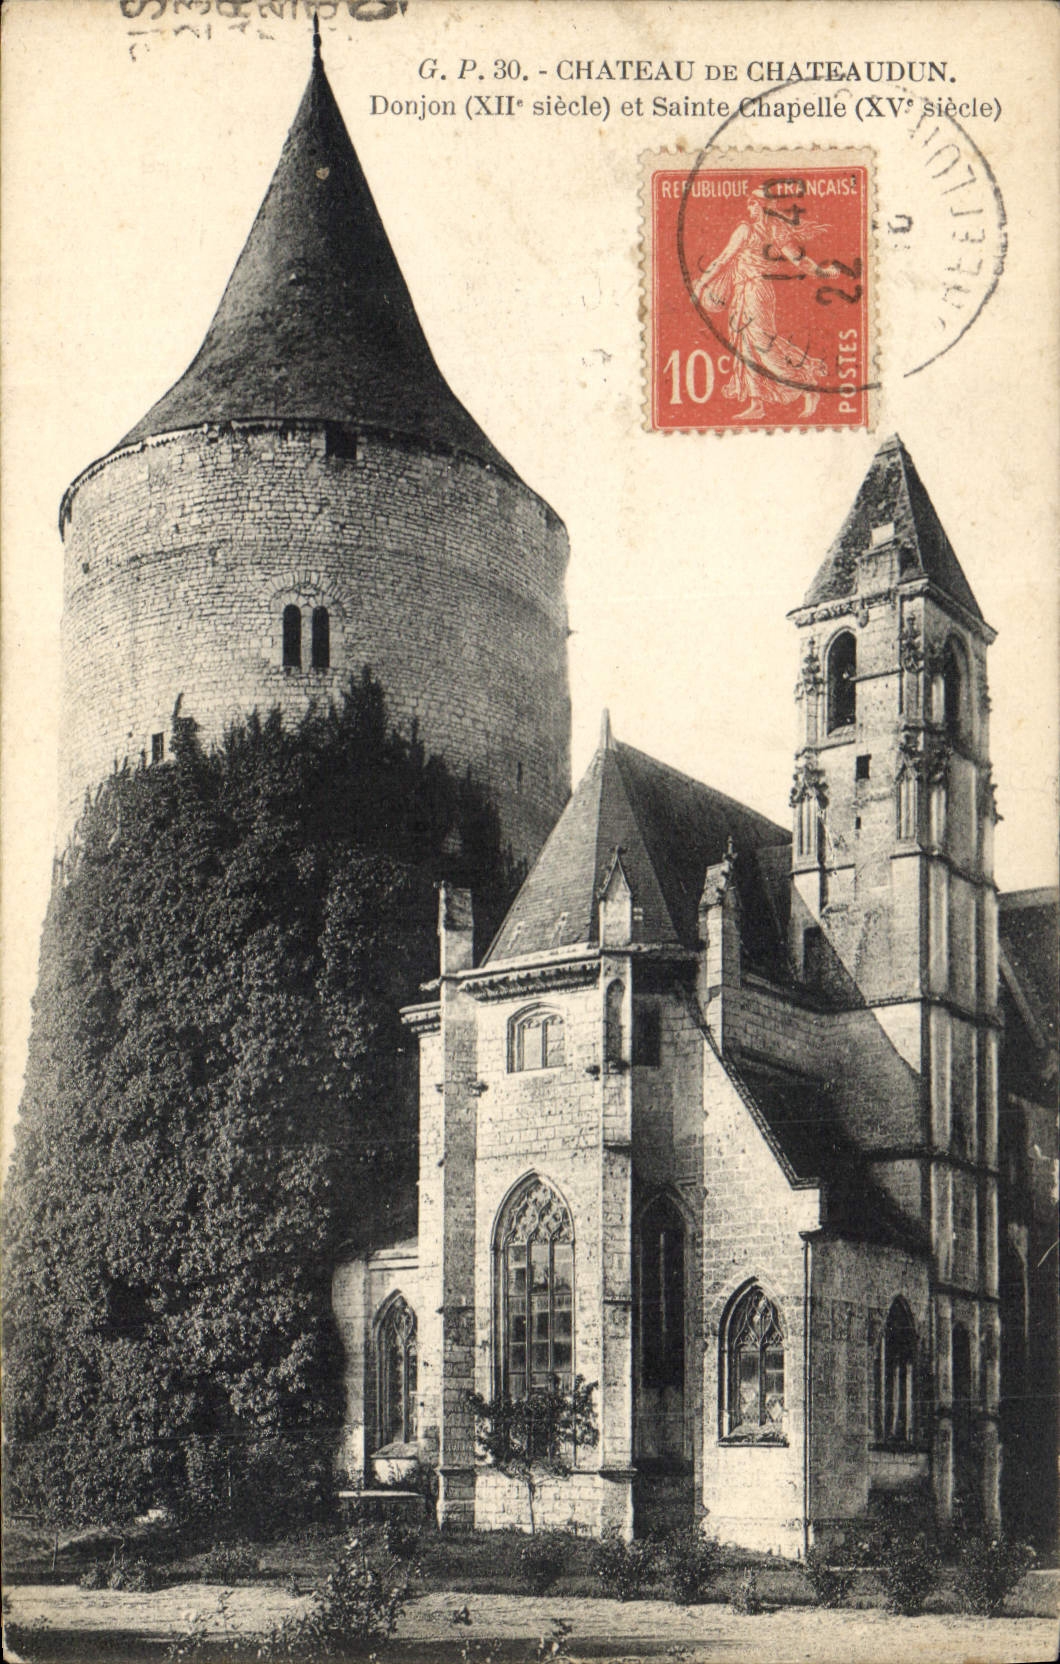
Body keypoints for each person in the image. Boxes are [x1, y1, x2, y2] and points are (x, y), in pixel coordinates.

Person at [692, 189, 839, 420]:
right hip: (743, 292)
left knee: (763, 346)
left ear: (759, 206)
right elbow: (799, 261)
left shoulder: (755, 230)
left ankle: (807, 385)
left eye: (752, 205)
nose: (749, 209)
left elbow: (723, 260)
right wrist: (822, 272)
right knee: (745, 347)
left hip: (756, 291)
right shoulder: (770, 230)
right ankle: (756, 403)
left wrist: (701, 284)